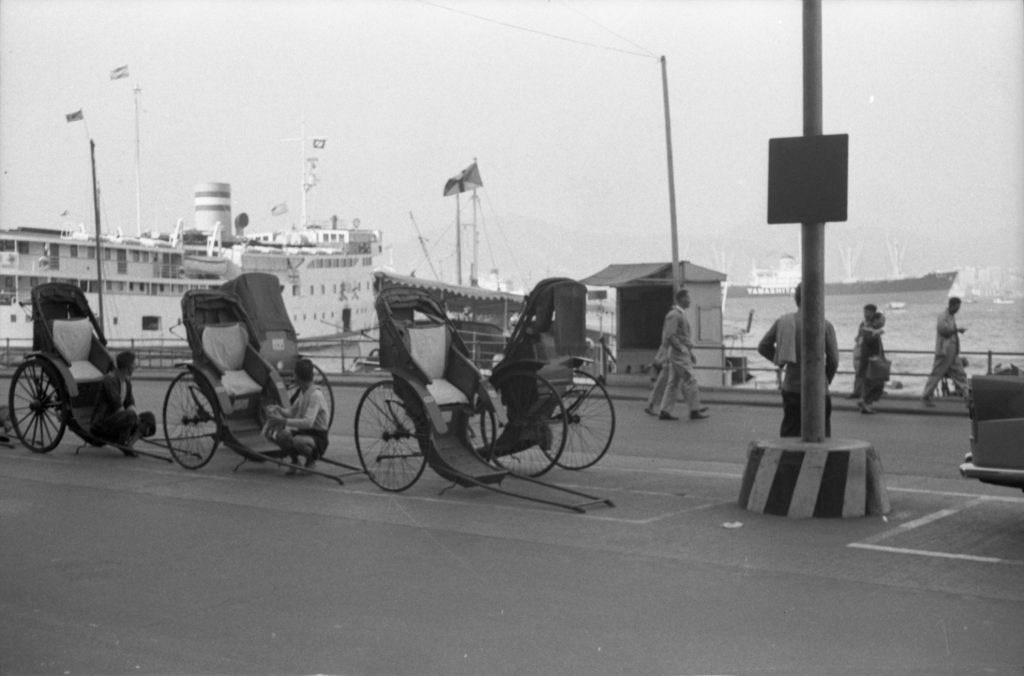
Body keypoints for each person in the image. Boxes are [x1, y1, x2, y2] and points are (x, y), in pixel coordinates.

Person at [756, 283, 839, 437]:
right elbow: (833, 359)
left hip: (792, 387)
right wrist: (826, 378)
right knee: (820, 434)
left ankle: (788, 461)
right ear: (817, 299)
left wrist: (780, 360)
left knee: (790, 432)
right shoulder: (825, 325)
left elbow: (763, 346)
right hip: (818, 388)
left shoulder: (784, 322)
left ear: (797, 299)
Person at [643, 288, 708, 421]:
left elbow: (676, 336)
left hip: (677, 352)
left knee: (673, 382)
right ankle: (694, 409)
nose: (690, 300)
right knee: (690, 379)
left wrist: (688, 351)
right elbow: (671, 335)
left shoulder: (678, 314)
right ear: (681, 299)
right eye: (688, 298)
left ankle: (665, 410)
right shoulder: (675, 315)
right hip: (678, 353)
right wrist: (683, 349)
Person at [264, 358, 329, 474]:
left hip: (318, 437)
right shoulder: (303, 392)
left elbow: (308, 422)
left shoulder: (315, 395)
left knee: (297, 441)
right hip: (305, 433)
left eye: (295, 374)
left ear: (298, 377)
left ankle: (310, 462)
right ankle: (295, 461)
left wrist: (283, 421)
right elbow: (291, 412)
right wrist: (278, 409)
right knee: (279, 435)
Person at [90, 350, 151, 454]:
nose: (135, 367)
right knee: (130, 416)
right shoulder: (109, 380)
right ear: (127, 367)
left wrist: (138, 419)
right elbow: (117, 405)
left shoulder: (127, 382)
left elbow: (130, 403)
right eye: (133, 364)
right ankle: (122, 442)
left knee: (149, 418)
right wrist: (133, 418)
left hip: (119, 418)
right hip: (103, 423)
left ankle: (129, 444)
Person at [921, 296, 969, 406]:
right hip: (944, 352)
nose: (958, 309)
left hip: (952, 352)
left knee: (960, 374)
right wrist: (957, 330)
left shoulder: (951, 316)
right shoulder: (943, 316)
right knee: (937, 374)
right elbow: (943, 330)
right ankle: (926, 396)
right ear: (951, 305)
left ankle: (968, 396)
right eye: (957, 307)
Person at [857, 311, 887, 414]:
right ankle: (864, 401)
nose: (884, 322)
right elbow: (869, 340)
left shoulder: (871, 329)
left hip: (872, 361)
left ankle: (865, 404)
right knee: (877, 383)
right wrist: (875, 334)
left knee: (870, 384)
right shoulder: (869, 330)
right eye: (882, 320)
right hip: (871, 363)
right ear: (876, 320)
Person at [848, 303, 877, 399]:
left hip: (868, 350)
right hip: (860, 349)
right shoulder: (863, 323)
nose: (865, 314)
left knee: (866, 372)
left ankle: (863, 393)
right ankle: (857, 391)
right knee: (858, 370)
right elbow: (859, 336)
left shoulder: (875, 325)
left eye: (868, 312)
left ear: (873, 313)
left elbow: (873, 339)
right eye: (865, 312)